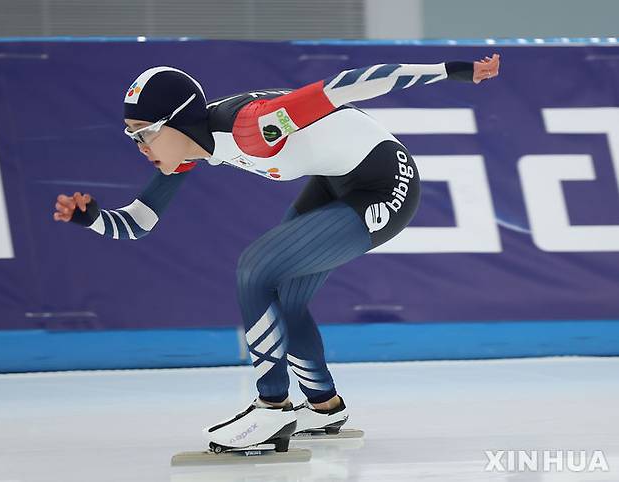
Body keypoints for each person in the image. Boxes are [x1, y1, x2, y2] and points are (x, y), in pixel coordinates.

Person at [54, 54, 501, 453]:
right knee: (286, 297)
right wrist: (90, 218)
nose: (141, 147)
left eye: (145, 133)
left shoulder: (256, 127)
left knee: (256, 266)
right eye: (132, 136)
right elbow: (139, 222)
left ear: (177, 122)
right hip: (336, 180)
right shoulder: (193, 150)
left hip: (387, 185)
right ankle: (324, 406)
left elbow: (348, 85)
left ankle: (273, 405)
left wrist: (453, 70)